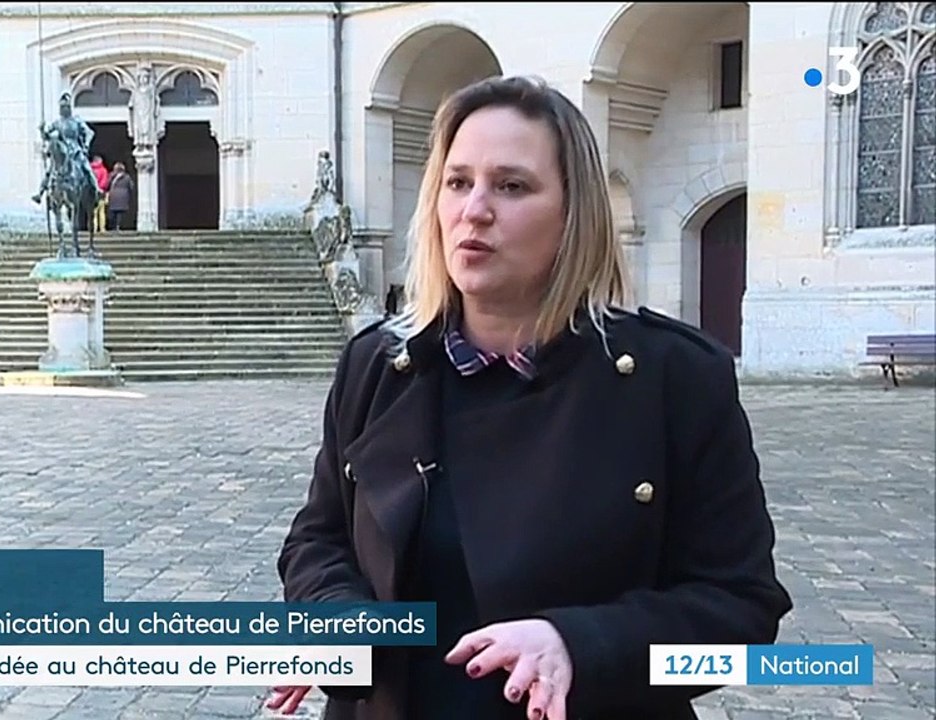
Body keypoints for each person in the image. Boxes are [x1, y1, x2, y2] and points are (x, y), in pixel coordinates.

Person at [270, 75, 792, 720]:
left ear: (575, 213)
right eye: (457, 182)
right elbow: (318, 538)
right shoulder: (377, 363)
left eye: (511, 186)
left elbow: (741, 611)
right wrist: (338, 622)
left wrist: (581, 644)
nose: (475, 209)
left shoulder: (675, 378)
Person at [32, 92, 98, 205]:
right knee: (50, 170)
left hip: (75, 149)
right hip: (63, 150)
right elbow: (46, 137)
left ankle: (96, 189)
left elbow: (89, 133)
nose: (62, 110)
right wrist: (42, 130)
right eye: (61, 107)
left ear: (69, 108)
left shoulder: (77, 121)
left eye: (65, 107)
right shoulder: (57, 123)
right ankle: (40, 193)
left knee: (86, 167)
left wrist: (86, 145)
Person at [106, 162, 136, 231]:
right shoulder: (127, 177)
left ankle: (112, 226)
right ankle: (118, 226)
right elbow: (131, 186)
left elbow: (107, 184)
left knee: (113, 212)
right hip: (123, 196)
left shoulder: (111, 176)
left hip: (113, 195)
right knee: (120, 213)